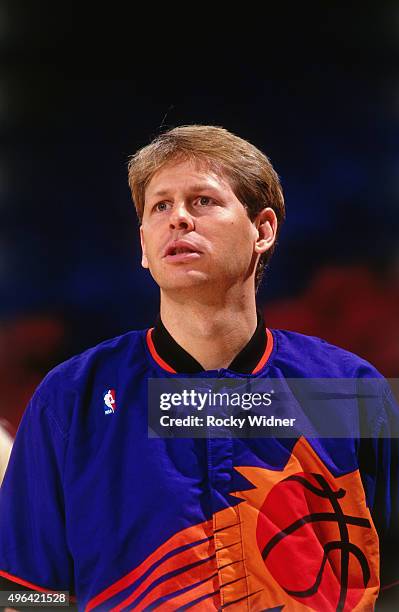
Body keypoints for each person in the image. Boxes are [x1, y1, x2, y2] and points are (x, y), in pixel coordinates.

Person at [0, 125, 397, 610]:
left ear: (263, 230)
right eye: (159, 206)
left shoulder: (347, 393)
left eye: (203, 201)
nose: (179, 219)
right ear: (143, 246)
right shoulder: (72, 398)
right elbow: (25, 593)